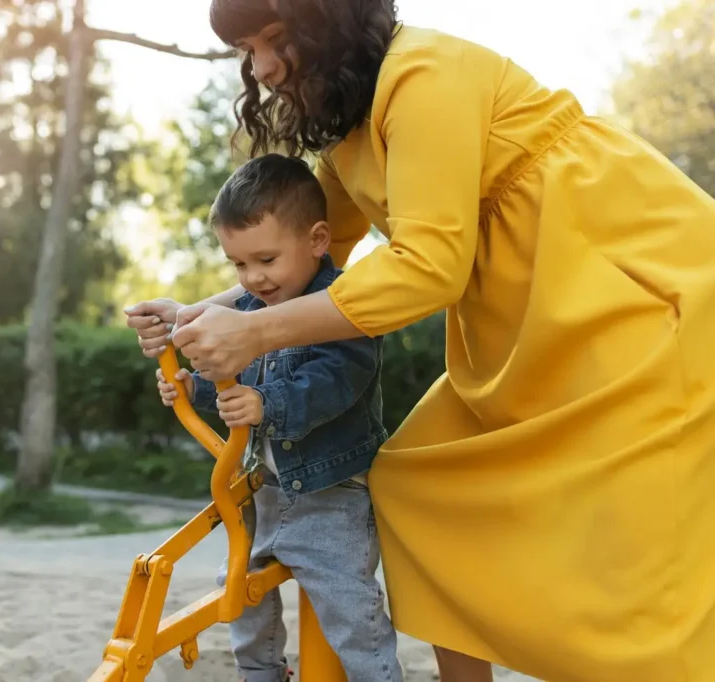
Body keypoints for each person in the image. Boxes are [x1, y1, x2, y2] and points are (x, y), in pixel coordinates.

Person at [125, 1, 715, 681]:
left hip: (629, 287)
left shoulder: (422, 77)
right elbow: (315, 261)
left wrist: (253, 331)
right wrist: (195, 316)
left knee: (640, 540)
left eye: (275, 38)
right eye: (247, 49)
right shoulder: (351, 132)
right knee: (412, 484)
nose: (259, 67)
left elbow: (427, 270)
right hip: (523, 327)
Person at [153, 153, 403, 682]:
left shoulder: (342, 307)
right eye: (239, 265)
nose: (253, 278)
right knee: (240, 593)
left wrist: (269, 404)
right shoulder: (245, 310)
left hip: (330, 498)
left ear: (316, 240)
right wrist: (191, 386)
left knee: (351, 613)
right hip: (262, 494)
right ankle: (262, 675)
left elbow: (338, 381)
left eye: (266, 260)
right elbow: (229, 385)